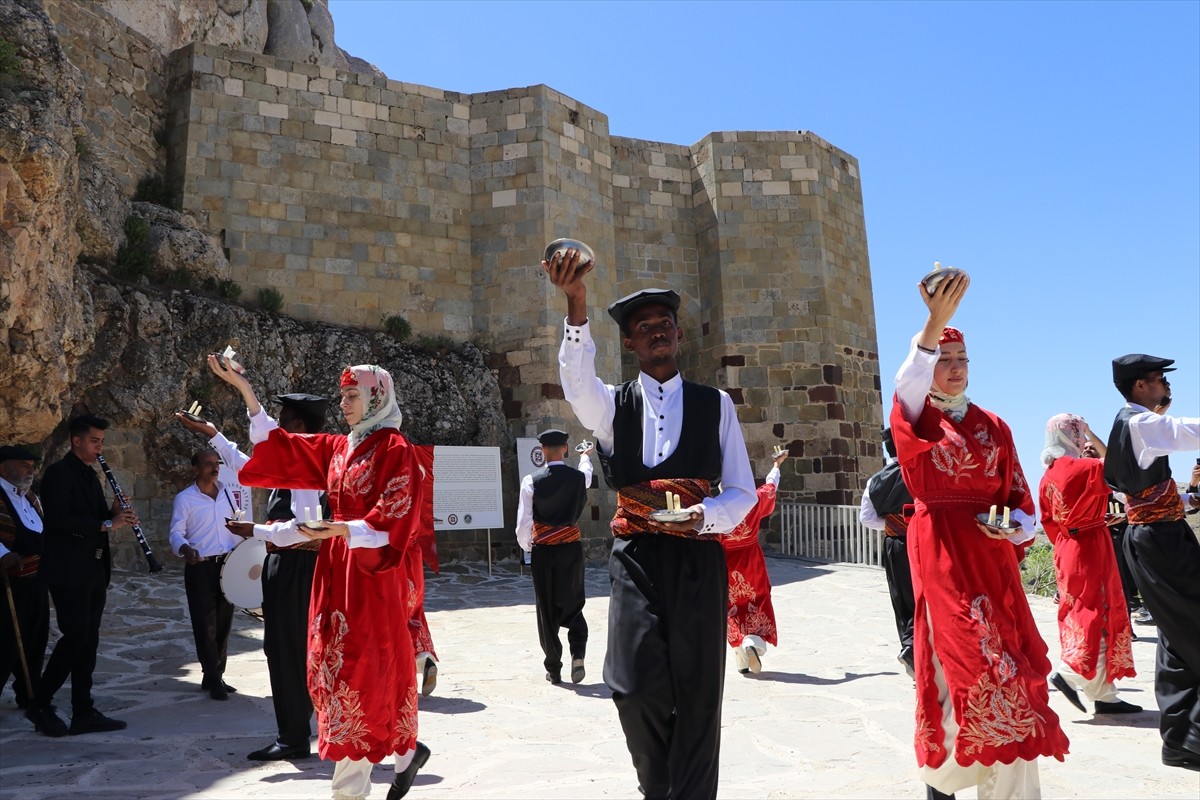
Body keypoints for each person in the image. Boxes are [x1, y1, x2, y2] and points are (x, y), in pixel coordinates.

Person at [545, 248, 756, 800]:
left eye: (665, 324)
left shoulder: (717, 406)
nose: (657, 332)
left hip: (697, 558)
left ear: (678, 337)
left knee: (699, 692)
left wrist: (705, 516)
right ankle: (659, 785)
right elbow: (574, 382)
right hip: (636, 557)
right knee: (632, 686)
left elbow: (742, 491)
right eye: (645, 328)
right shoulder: (611, 406)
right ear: (632, 344)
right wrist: (576, 305)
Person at [890, 273, 1068, 800]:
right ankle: (942, 784)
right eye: (945, 359)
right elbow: (907, 382)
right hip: (942, 552)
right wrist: (933, 325)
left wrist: (1014, 526)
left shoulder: (995, 425)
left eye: (962, 359)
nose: (955, 368)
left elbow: (1020, 499)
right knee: (960, 667)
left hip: (993, 560)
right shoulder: (917, 418)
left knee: (1012, 677)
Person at [236, 363, 434, 800]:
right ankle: (405, 754)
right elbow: (287, 448)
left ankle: (350, 790)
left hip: (372, 573)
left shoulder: (395, 449)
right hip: (337, 571)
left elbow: (398, 514)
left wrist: (346, 530)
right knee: (342, 665)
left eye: (352, 397)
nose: (343, 405)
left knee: (361, 670)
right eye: (342, 397)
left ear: (376, 398)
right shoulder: (343, 448)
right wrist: (247, 392)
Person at [180, 380, 330, 759]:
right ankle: (295, 731)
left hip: (298, 563)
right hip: (287, 562)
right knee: (283, 649)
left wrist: (254, 531)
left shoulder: (311, 468)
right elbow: (249, 467)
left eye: (284, 421)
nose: (276, 428)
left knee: (288, 650)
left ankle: (295, 737)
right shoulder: (296, 461)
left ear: (296, 427)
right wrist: (214, 435)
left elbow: (308, 528)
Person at [1103, 353, 1200, 772]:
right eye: (1160, 379)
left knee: (1176, 634)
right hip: (1161, 543)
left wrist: (1187, 499)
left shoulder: (1130, 426)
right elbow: (1187, 431)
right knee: (1191, 626)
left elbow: (1149, 496)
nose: (1166, 386)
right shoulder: (1140, 423)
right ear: (1140, 386)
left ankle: (1183, 739)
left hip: (1155, 536)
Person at [26, 414, 136, 737]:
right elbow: (60, 522)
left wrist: (115, 513)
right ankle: (39, 702)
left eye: (102, 442)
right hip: (68, 571)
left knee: (89, 641)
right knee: (75, 638)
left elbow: (97, 519)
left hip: (92, 570)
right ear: (76, 441)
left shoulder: (89, 476)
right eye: (94, 441)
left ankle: (83, 710)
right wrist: (107, 524)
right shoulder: (58, 475)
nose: (100, 448)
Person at [1037, 414, 1140, 716]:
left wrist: (1089, 523)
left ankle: (1103, 695)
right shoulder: (1085, 467)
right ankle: (1069, 673)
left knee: (1079, 609)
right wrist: (1093, 434)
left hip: (1068, 548)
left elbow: (1050, 520)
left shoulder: (1048, 475)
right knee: (1097, 610)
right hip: (1091, 548)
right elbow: (1119, 466)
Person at [514, 429, 593, 684]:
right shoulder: (578, 478)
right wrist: (585, 457)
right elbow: (587, 476)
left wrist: (528, 547)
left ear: (542, 451)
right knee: (574, 600)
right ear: (565, 449)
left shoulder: (531, 481)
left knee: (546, 607)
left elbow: (524, 523)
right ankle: (578, 654)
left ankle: (554, 667)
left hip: (544, 552)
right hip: (571, 549)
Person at [169, 448, 242, 700]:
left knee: (224, 621)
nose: (214, 467)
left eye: (216, 463)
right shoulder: (185, 499)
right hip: (200, 565)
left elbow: (234, 524)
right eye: (208, 463)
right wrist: (185, 549)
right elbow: (176, 533)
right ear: (195, 469)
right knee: (205, 623)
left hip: (227, 564)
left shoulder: (227, 494)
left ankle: (215, 674)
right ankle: (212, 676)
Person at [722, 447, 787, 675]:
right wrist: (777, 465)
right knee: (757, 601)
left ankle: (741, 652)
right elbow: (771, 486)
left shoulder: (717, 507)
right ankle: (752, 644)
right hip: (751, 560)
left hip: (726, 564)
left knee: (731, 608)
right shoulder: (753, 500)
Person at [859, 429, 916, 678]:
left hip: (894, 545)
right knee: (924, 598)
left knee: (901, 598)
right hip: (922, 543)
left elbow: (867, 518)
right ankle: (916, 649)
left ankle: (908, 646)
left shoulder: (875, 481)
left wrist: (893, 523)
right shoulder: (918, 473)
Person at [0, 446, 48, 710]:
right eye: (23, 464)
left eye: (32, 465)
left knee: (34, 640)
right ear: (3, 467)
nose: (30, 470)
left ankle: (29, 694)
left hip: (35, 580)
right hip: (7, 584)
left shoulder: (30, 497)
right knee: (5, 642)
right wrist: (2, 554)